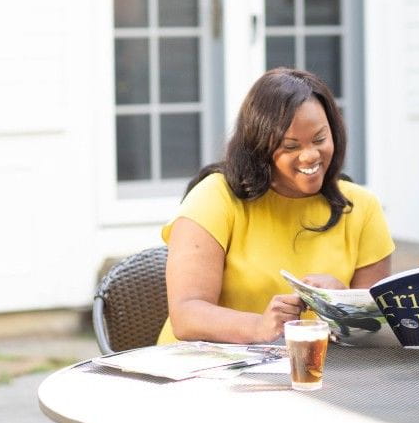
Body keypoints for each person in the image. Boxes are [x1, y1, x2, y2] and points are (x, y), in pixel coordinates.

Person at [158, 68, 395, 344]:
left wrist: (344, 301)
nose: (310, 156)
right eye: (291, 146)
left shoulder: (361, 207)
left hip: (312, 372)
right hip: (202, 370)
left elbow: (373, 335)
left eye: (319, 139)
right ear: (259, 147)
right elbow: (186, 315)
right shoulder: (214, 197)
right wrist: (259, 326)